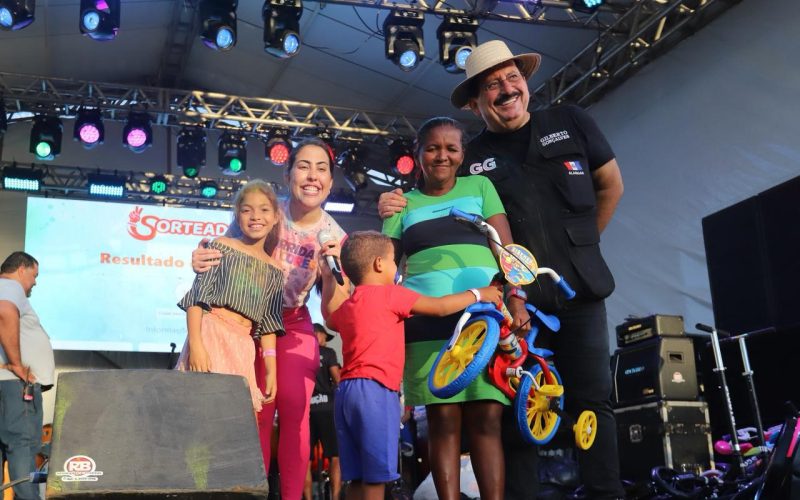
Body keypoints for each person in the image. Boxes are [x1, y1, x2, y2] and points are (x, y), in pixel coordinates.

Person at [378, 40, 625, 499]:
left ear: (526, 82)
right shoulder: (469, 159)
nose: (507, 89)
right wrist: (390, 201)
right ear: (475, 102)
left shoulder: (571, 120)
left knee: (593, 402)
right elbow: (431, 195)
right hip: (514, 305)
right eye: (492, 84)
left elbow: (611, 185)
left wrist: (582, 247)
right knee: (513, 410)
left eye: (513, 77)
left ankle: (605, 494)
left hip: (579, 291)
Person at [380, 116, 530, 500]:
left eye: (451, 148)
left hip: (485, 323)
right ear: (418, 154)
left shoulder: (480, 186)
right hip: (426, 325)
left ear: (463, 154)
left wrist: (516, 298)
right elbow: (383, 268)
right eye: (432, 148)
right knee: (443, 423)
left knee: (487, 419)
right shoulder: (401, 204)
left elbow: (507, 250)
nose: (442, 156)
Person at [191, 137, 347, 499]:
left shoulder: (336, 237)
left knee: (295, 411)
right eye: (303, 166)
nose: (312, 176)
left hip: (292, 324)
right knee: (257, 412)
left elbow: (333, 317)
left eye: (321, 169)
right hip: (248, 326)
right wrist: (200, 258)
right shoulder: (266, 211)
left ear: (330, 182)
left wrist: (329, 275)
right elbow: (220, 255)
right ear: (288, 174)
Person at [320, 230, 503, 500]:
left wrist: (328, 279)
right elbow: (440, 307)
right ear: (379, 264)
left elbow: (328, 317)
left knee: (357, 478)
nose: (396, 267)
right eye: (393, 260)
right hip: (376, 392)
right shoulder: (392, 295)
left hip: (346, 393)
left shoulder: (350, 304)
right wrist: (479, 293)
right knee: (375, 480)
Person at [177, 179, 284, 412]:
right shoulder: (222, 246)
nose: (255, 217)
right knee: (200, 408)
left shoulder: (275, 271)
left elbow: (269, 326)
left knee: (236, 418)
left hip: (242, 346)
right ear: (237, 215)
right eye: (247, 210)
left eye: (264, 210)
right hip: (211, 335)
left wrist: (271, 369)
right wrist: (196, 344)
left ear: (276, 216)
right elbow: (196, 299)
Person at [0, 251, 54, 500]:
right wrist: (17, 364)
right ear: (21, 269)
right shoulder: (9, 286)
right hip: (15, 387)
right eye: (34, 275)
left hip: (6, 384)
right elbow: (4, 310)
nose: (35, 282)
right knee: (22, 446)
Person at [304, 323, 342, 500]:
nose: (326, 341)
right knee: (335, 456)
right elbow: (337, 379)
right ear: (317, 334)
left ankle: (308, 498)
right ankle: (336, 497)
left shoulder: (303, 354)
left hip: (307, 410)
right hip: (327, 409)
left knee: (305, 459)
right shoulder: (328, 353)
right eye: (325, 337)